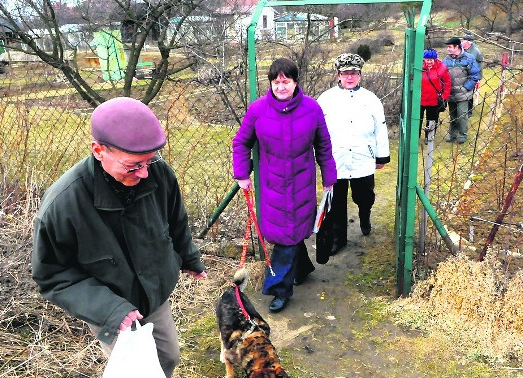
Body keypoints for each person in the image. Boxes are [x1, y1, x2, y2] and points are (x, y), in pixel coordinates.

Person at [31, 97, 207, 378]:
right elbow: (53, 275)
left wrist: (189, 257)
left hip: (154, 294)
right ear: (99, 151)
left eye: (150, 161)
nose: (145, 172)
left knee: (169, 356)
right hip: (110, 305)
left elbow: (176, 221)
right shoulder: (63, 205)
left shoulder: (159, 175)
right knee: (137, 372)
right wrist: (111, 311)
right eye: (133, 165)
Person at [232, 58, 337, 313]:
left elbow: (323, 145)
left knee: (291, 235)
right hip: (272, 185)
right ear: (271, 83)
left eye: (286, 81)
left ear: (295, 82)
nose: (281, 87)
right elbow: (240, 143)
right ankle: (300, 270)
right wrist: (242, 173)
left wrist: (329, 178)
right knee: (286, 235)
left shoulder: (312, 109)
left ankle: (280, 289)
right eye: (276, 82)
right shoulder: (257, 110)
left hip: (302, 183)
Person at [317, 53, 390, 254]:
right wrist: (319, 154)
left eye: (354, 73)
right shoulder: (326, 99)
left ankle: (365, 216)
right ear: (337, 75)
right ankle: (339, 238)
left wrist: (381, 156)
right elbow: (317, 129)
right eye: (345, 73)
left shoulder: (371, 99)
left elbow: (381, 129)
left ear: (360, 75)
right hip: (335, 159)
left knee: (365, 195)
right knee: (336, 201)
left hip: (363, 158)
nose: (350, 77)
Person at [442, 37, 480, 144]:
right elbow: (442, 74)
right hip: (450, 93)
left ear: (457, 47)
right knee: (453, 115)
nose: (448, 49)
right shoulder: (446, 59)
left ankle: (463, 134)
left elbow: (475, 75)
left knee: (462, 115)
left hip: (463, 93)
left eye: (450, 47)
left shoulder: (469, 58)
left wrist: (466, 87)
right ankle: (453, 134)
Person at [420, 49, 451, 144]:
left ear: (435, 59)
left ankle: (429, 136)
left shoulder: (442, 68)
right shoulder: (419, 67)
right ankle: (415, 135)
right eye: (427, 59)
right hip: (420, 99)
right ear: (423, 59)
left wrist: (444, 97)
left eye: (431, 60)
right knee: (418, 118)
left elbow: (447, 82)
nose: (429, 62)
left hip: (434, 99)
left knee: (432, 118)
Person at [461, 34, 484, 117]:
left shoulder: (476, 52)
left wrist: (477, 77)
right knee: (462, 92)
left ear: (468, 42)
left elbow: (480, 65)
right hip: (462, 75)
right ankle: (461, 110)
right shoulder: (461, 50)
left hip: (472, 76)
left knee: (469, 93)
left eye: (463, 40)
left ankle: (469, 111)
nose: (461, 42)